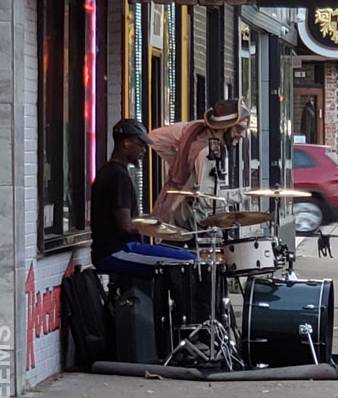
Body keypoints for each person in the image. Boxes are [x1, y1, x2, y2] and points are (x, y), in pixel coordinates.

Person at [91, 119, 195, 276]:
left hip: (114, 250)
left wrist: (149, 221)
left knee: (179, 258)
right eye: (140, 144)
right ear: (126, 143)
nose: (144, 150)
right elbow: (125, 225)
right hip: (116, 251)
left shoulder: (109, 171)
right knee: (186, 260)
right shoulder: (118, 176)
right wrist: (152, 225)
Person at [148, 98, 251, 229]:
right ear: (225, 128)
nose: (241, 136)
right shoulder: (208, 152)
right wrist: (247, 194)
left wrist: (179, 162)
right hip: (184, 222)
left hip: (166, 212)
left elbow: (153, 138)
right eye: (239, 129)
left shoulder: (192, 129)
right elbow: (209, 200)